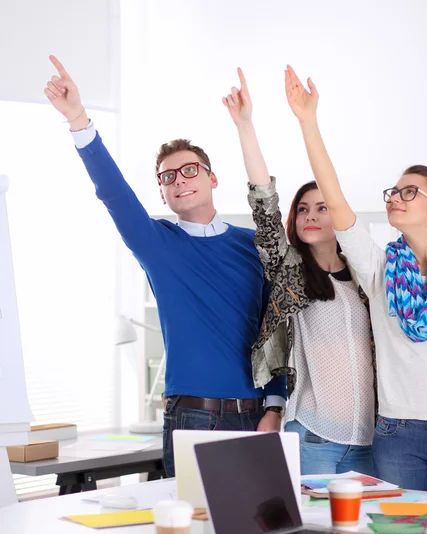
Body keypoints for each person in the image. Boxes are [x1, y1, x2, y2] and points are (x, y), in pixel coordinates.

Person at [43, 56, 286, 478]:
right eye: (167, 177)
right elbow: (113, 192)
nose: (179, 180)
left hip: (257, 419)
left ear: (212, 179)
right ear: (162, 195)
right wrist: (78, 119)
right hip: (193, 420)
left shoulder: (253, 245)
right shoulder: (157, 244)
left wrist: (276, 408)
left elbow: (279, 327)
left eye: (190, 170)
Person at [285, 64, 427, 493]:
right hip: (397, 434)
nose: (396, 199)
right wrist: (308, 123)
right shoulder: (379, 267)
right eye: (393, 193)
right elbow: (334, 197)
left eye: (410, 193)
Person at [222, 69, 376, 475]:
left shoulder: (365, 276)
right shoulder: (289, 269)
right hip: (313, 438)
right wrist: (245, 125)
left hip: (374, 442)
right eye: (303, 208)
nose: (310, 215)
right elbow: (264, 203)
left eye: (322, 207)